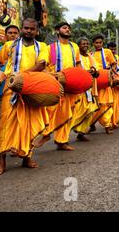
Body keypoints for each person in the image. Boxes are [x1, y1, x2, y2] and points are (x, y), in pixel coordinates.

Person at [0, 18, 49, 174]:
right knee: (5, 124)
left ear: (36, 31)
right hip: (11, 90)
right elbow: (0, 60)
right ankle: (1, 160)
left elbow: (41, 65)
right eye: (26, 28)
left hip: (32, 88)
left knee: (29, 123)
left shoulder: (42, 46)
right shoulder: (9, 45)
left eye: (32, 29)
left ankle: (27, 156)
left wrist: (22, 77)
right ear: (22, 28)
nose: (28, 31)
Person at [36, 22, 81, 151]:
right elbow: (43, 66)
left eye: (68, 28)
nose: (67, 30)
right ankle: (46, 134)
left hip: (71, 84)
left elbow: (78, 64)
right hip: (54, 83)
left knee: (67, 113)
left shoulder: (75, 47)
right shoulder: (50, 48)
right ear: (57, 30)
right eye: (64, 28)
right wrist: (52, 76)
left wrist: (80, 78)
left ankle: (62, 141)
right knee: (50, 111)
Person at [73, 37, 99, 142]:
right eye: (83, 43)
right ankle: (72, 125)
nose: (85, 45)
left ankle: (81, 132)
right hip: (79, 87)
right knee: (80, 109)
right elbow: (75, 70)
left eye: (87, 43)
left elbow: (97, 71)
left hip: (90, 88)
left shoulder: (90, 57)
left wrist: (94, 71)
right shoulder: (76, 56)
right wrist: (86, 72)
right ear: (78, 45)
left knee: (91, 109)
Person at [90, 34, 116, 134]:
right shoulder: (90, 54)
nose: (98, 44)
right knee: (96, 105)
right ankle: (91, 123)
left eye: (100, 42)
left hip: (105, 81)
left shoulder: (107, 52)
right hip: (95, 82)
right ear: (93, 43)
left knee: (106, 104)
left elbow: (113, 63)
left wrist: (111, 73)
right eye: (96, 43)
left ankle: (107, 125)